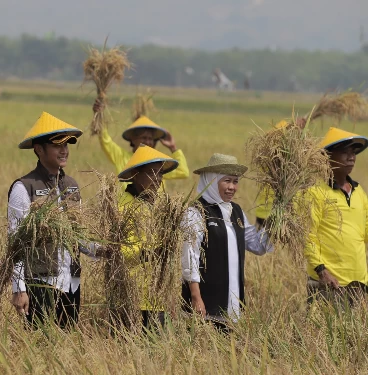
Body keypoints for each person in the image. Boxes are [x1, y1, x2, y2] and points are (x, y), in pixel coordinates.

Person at [9, 112, 100, 329]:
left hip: (71, 285)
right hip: (41, 284)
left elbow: (76, 237)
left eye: (67, 144)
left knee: (67, 350)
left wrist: (101, 250)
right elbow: (16, 243)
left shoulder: (72, 186)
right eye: (57, 144)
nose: (64, 150)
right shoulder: (24, 187)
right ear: (38, 149)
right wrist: (18, 288)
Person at [181, 153, 273, 331]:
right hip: (204, 302)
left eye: (235, 181)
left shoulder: (236, 211)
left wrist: (275, 225)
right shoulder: (196, 211)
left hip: (232, 301)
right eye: (227, 181)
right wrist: (196, 297)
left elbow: (257, 245)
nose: (232, 187)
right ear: (212, 181)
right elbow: (190, 257)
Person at [115, 145, 179, 332]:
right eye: (152, 174)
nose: (157, 180)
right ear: (135, 174)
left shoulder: (162, 207)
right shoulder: (122, 206)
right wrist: (145, 254)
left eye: (160, 174)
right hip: (131, 294)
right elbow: (115, 250)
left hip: (158, 296)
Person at [304, 127, 368, 307]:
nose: (351, 157)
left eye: (354, 152)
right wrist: (321, 271)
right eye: (344, 152)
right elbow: (308, 236)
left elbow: (365, 232)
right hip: (329, 282)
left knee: (355, 335)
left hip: (359, 281)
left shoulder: (359, 192)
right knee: (323, 334)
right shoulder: (314, 192)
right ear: (327, 157)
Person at [92, 100, 189, 188]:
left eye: (150, 139)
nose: (148, 142)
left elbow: (183, 172)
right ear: (133, 139)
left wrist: (173, 147)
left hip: (153, 207)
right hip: (126, 207)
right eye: (144, 138)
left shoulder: (157, 163)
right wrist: (99, 115)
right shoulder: (121, 157)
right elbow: (106, 140)